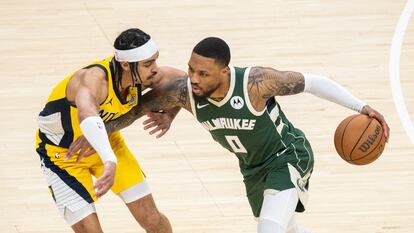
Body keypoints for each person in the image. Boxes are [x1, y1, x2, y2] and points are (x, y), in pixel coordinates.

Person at [69, 37, 390, 233]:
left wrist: (360, 106)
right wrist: (97, 133)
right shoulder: (185, 91)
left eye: (202, 73)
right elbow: (136, 111)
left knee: (270, 227)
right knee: (287, 229)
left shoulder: (256, 83)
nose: (192, 78)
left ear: (224, 72)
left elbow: (312, 82)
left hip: (287, 156)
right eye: (191, 69)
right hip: (252, 168)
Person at [35, 28, 185, 233]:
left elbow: (182, 82)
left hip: (110, 145)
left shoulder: (142, 76)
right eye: (148, 64)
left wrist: (170, 115)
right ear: (125, 64)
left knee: (151, 219)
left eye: (155, 61)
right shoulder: (93, 79)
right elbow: (88, 117)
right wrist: (109, 160)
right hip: (63, 157)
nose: (155, 69)